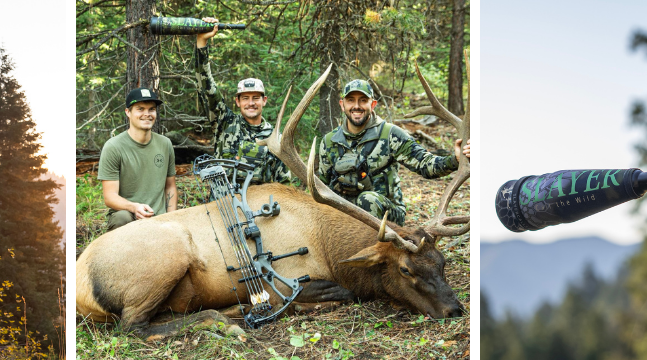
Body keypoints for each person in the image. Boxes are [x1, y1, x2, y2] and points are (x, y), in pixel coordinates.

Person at [316, 79, 472, 225]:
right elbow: (322, 186)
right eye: (351, 100)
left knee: (367, 199)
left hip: (387, 217)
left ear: (373, 104)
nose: (357, 106)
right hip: (343, 214)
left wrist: (455, 159)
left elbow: (425, 164)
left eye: (363, 100)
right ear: (342, 105)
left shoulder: (391, 135)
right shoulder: (329, 141)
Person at [193, 17, 290, 184]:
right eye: (245, 98)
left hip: (257, 208)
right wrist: (202, 41)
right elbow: (206, 87)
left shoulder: (276, 138)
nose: (250, 103)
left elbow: (283, 182)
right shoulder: (224, 122)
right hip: (221, 206)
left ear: (264, 101)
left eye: (255, 98)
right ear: (237, 102)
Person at [98, 87, 177, 230]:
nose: (147, 114)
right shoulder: (113, 147)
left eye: (151, 109)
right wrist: (134, 207)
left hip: (158, 218)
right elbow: (109, 196)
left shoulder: (165, 144)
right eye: (140, 109)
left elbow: (170, 186)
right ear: (128, 112)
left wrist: (171, 218)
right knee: (121, 218)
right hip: (129, 216)